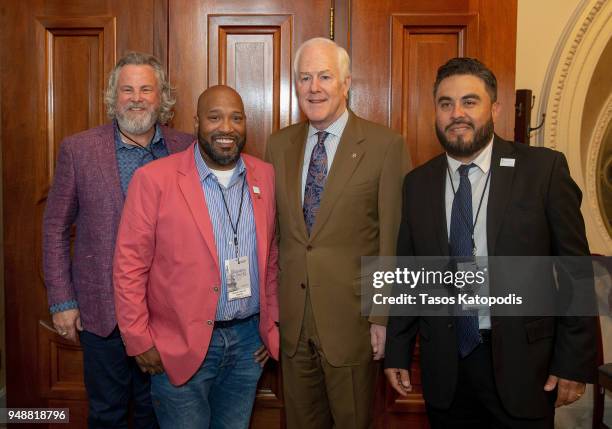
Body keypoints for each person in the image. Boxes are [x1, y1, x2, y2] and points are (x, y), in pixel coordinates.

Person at [384, 57, 597, 428]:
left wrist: (573, 363)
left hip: (524, 368)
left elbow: (576, 273)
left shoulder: (543, 171)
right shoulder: (417, 184)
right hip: (446, 370)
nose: (457, 114)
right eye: (446, 103)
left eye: (470, 101)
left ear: (494, 108)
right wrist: (397, 352)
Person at [113, 85, 279, 429]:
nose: (226, 128)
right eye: (214, 117)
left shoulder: (264, 175)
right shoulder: (154, 180)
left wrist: (272, 326)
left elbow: (273, 259)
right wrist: (138, 338)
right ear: (197, 122)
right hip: (180, 345)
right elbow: (129, 266)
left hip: (249, 342)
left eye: (236, 118)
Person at [265, 37, 411, 429]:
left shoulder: (385, 146)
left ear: (346, 83)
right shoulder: (278, 146)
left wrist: (382, 316)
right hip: (293, 326)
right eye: (305, 78)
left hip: (352, 326)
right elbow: (272, 237)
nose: (314, 87)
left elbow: (392, 241)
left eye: (325, 76)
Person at [42, 51, 193, 428]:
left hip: (167, 316)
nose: (137, 97)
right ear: (113, 96)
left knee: (156, 414)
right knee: (107, 414)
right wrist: (62, 301)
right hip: (102, 312)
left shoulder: (187, 149)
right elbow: (54, 228)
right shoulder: (79, 150)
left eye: (146, 89)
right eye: (127, 89)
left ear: (163, 97)